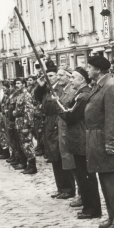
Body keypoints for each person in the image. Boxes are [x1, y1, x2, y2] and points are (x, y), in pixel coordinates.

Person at [84, 55, 114, 228]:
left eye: (89, 67)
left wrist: (110, 142)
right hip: (97, 137)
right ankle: (113, 216)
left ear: (98, 69)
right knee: (105, 179)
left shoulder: (110, 86)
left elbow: (113, 117)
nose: (87, 70)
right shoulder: (101, 85)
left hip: (106, 138)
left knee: (113, 182)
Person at [58, 67, 102, 219]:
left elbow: (71, 117)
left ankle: (92, 208)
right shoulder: (80, 94)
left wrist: (58, 107)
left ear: (82, 80)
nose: (71, 80)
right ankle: (88, 205)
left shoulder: (83, 97)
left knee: (86, 177)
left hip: (82, 140)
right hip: (78, 140)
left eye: (74, 78)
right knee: (83, 176)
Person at [36, 61, 77, 198]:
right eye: (50, 75)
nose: (54, 78)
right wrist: (40, 87)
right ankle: (60, 187)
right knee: (54, 156)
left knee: (62, 156)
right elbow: (37, 99)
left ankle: (68, 189)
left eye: (54, 75)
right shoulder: (48, 89)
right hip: (49, 124)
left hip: (58, 123)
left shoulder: (63, 89)